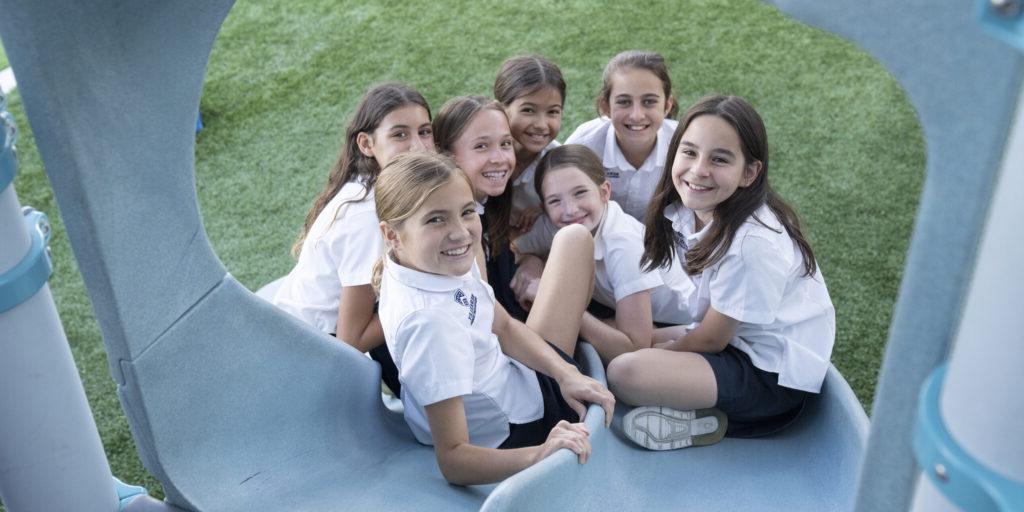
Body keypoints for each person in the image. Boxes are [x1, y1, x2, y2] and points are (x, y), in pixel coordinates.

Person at [606, 94, 836, 450]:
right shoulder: (692, 209)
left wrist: (655, 352)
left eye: (720, 159)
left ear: (749, 173)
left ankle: (708, 420)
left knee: (625, 371)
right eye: (690, 152)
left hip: (770, 380)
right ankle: (683, 390)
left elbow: (712, 339)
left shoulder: (752, 244)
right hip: (736, 340)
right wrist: (652, 343)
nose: (699, 170)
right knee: (634, 342)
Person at [373, 152, 615, 485]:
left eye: (466, 211)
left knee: (574, 239)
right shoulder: (429, 324)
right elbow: (454, 458)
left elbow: (502, 325)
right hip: (519, 432)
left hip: (517, 377)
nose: (461, 233)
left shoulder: (436, 259)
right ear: (391, 234)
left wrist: (565, 373)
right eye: (435, 219)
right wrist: (542, 453)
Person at [272, 83, 434, 396]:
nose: (418, 146)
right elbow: (351, 339)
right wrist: (425, 296)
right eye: (400, 134)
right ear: (367, 144)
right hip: (306, 360)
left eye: (425, 131)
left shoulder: (378, 185)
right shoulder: (367, 217)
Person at [432, 96, 593, 354]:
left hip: (517, 335)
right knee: (575, 240)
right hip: (500, 360)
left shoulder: (486, 206)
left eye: (505, 144)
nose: (499, 158)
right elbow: (487, 326)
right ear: (448, 156)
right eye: (482, 146)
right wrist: (563, 372)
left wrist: (529, 259)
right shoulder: (456, 228)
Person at [513, 144, 697, 364]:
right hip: (626, 313)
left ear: (604, 192)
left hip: (680, 321)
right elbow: (515, 248)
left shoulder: (624, 245)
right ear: (544, 207)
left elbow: (634, 348)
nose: (570, 209)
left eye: (580, 193)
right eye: (555, 201)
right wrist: (531, 262)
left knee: (631, 354)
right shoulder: (555, 224)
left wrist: (562, 305)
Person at [565, 50, 678, 222]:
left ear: (667, 105)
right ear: (606, 107)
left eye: (649, 101)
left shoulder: (684, 144)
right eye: (624, 102)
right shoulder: (583, 145)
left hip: (662, 237)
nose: (637, 115)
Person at [493, 54, 566, 236]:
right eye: (528, 110)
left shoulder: (560, 164)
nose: (541, 124)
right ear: (501, 109)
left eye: (552, 112)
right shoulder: (480, 154)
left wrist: (548, 206)